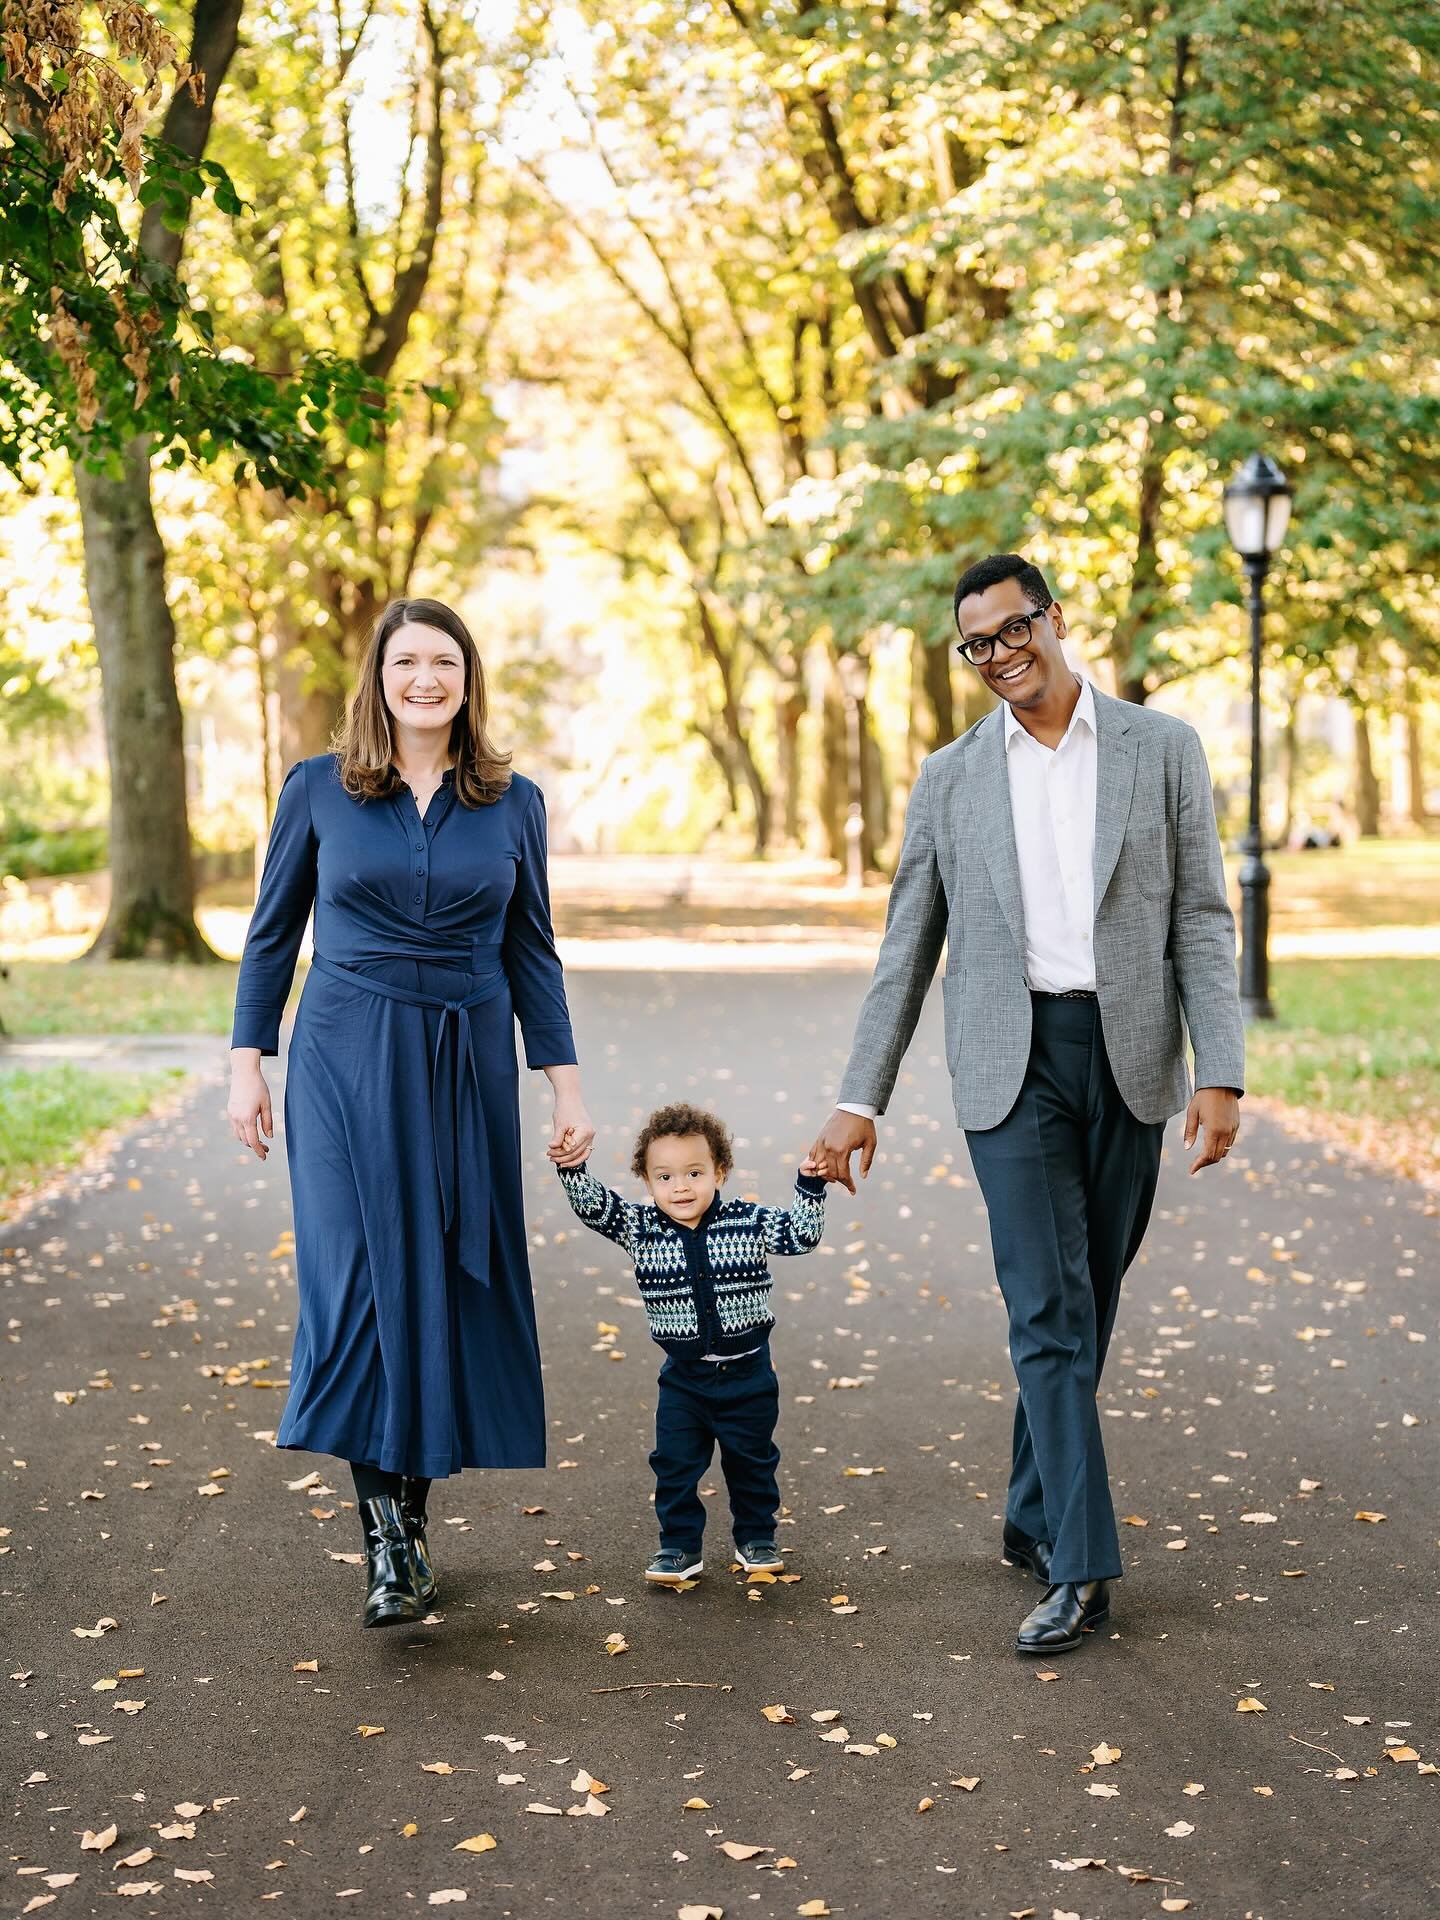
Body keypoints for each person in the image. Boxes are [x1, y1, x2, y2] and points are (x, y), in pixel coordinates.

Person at [810, 554, 1244, 1657]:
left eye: (1013, 632)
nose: (1000, 657)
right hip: (1011, 1065)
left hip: (1131, 1057)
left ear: (1053, 620)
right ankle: (1084, 1568)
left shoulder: (1162, 750)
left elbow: (1200, 914)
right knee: (1044, 1308)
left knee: (1085, 1302)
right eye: (977, 646)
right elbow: (907, 946)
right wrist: (860, 1099)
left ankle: (1028, 1508)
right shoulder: (952, 779)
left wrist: (1221, 1072)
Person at [228, 597, 594, 1629]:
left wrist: (563, 1083)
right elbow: (270, 938)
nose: (425, 679)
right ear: (377, 679)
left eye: (444, 662)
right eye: (406, 663)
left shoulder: (510, 801)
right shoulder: (316, 789)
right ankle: (384, 1538)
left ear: (468, 679)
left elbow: (533, 948)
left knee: (439, 1278)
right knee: (355, 1287)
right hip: (345, 1052)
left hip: (467, 1057)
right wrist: (245, 1061)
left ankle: (410, 1531)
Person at [556, 1103, 828, 1585]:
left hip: (748, 1375)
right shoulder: (641, 1228)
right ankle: (679, 1548)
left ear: (719, 1171)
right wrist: (572, 1165)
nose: (680, 1187)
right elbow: (595, 1207)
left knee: (753, 1463)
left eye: (694, 1173)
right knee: (675, 1466)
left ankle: (756, 1538)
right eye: (664, 1177)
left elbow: (801, 1236)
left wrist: (810, 1185)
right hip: (685, 1380)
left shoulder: (748, 1220)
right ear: (647, 1181)